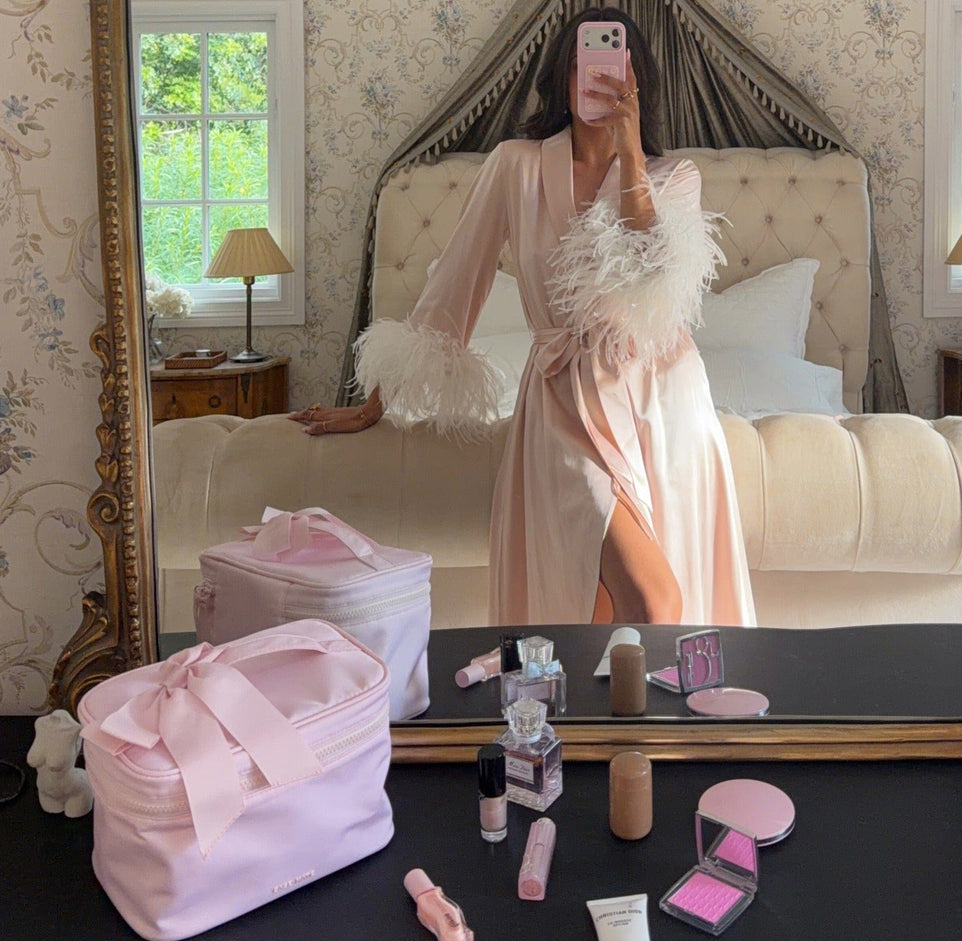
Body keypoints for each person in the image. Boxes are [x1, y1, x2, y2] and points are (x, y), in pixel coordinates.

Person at [291, 7, 755, 628]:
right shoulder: (516, 164)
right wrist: (377, 401)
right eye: (584, 65)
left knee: (609, 618)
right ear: (563, 76)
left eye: (614, 67)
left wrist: (631, 157)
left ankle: (620, 726)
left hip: (663, 404)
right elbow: (455, 286)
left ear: (637, 81)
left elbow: (658, 274)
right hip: (564, 400)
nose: (597, 80)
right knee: (654, 599)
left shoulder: (675, 177)